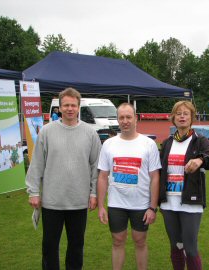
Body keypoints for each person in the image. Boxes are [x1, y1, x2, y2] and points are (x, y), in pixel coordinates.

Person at [26, 87, 101, 270]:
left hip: (78, 201)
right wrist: (33, 191)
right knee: (49, 246)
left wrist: (94, 193)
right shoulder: (46, 131)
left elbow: (96, 166)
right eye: (66, 105)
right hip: (52, 202)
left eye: (73, 105)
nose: (70, 109)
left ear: (78, 107)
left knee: (76, 246)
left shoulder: (90, 133)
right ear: (59, 108)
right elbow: (37, 164)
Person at [97, 103, 161, 270]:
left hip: (141, 204)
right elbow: (103, 176)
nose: (125, 121)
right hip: (116, 204)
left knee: (140, 241)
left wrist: (152, 208)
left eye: (128, 117)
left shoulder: (148, 144)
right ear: (117, 120)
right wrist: (101, 206)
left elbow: (155, 177)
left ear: (136, 119)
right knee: (117, 241)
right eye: (121, 117)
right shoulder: (108, 144)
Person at [159, 101, 209, 270]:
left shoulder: (200, 141)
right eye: (178, 114)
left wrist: (201, 159)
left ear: (192, 118)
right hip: (168, 202)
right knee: (176, 245)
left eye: (186, 113)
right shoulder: (167, 143)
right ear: (173, 118)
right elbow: (158, 171)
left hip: (191, 203)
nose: (182, 117)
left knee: (190, 248)